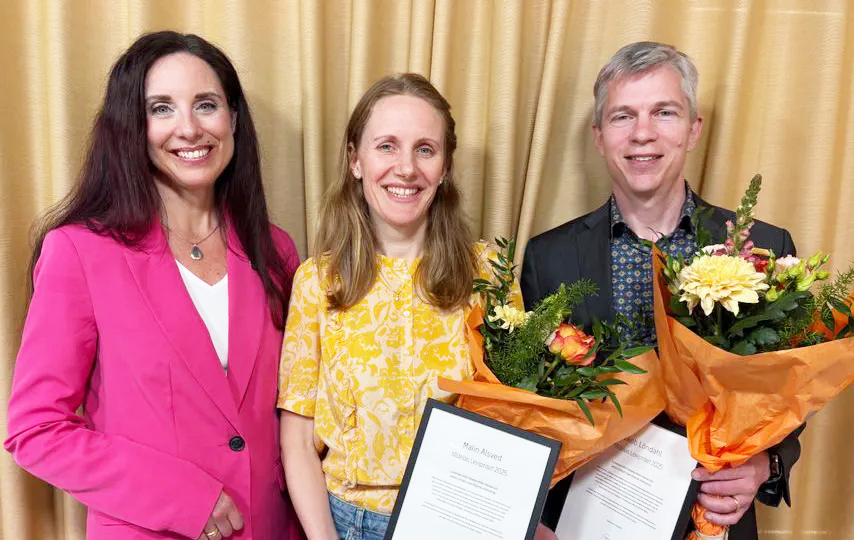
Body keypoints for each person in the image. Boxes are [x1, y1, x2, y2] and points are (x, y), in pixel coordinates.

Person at [4, 31, 303, 540]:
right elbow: (36, 430)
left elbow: (293, 413)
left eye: (206, 104)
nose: (189, 128)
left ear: (233, 119)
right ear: (132, 127)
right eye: (161, 108)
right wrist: (183, 498)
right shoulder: (79, 252)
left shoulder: (275, 251)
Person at [521, 42, 801, 540]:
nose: (642, 133)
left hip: (712, 517)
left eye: (664, 112)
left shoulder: (765, 249)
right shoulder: (548, 258)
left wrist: (767, 464)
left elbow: (789, 389)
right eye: (622, 116)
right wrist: (534, 515)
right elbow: (527, 403)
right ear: (599, 137)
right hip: (582, 523)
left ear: (693, 129)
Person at [277, 73, 555, 540]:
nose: (406, 168)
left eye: (425, 149)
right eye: (386, 146)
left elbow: (516, 417)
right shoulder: (318, 282)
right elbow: (298, 438)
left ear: (444, 168)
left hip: (461, 522)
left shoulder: (488, 274)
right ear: (356, 160)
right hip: (349, 522)